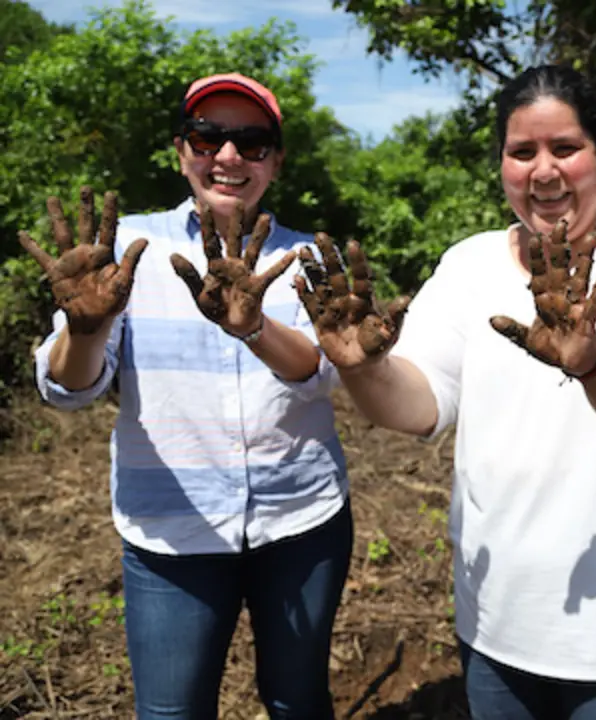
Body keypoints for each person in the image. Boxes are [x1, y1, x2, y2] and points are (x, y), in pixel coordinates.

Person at [292, 63, 596, 719]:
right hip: (497, 621)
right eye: (522, 152)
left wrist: (593, 363)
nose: (544, 171)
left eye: (565, 147)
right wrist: (362, 367)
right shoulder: (469, 264)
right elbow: (420, 404)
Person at [22, 72, 350, 719]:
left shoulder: (307, 258)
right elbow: (70, 389)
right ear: (181, 152)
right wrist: (86, 330)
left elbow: (323, 373)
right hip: (171, 537)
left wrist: (253, 327)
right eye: (207, 137)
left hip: (302, 522)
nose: (227, 156)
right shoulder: (125, 252)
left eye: (251, 142)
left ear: (276, 162)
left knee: (299, 700)